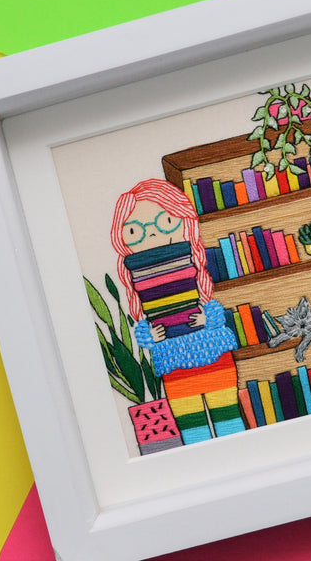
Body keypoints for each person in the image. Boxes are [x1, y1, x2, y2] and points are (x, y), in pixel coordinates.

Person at [111, 178, 245, 445]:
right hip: (174, 364)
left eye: (165, 222)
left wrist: (208, 318)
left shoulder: (193, 264)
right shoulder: (136, 277)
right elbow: (142, 332)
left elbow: (215, 311)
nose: (152, 234)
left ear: (182, 219)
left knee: (228, 416)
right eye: (135, 230)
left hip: (213, 354)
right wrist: (152, 337)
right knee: (191, 424)